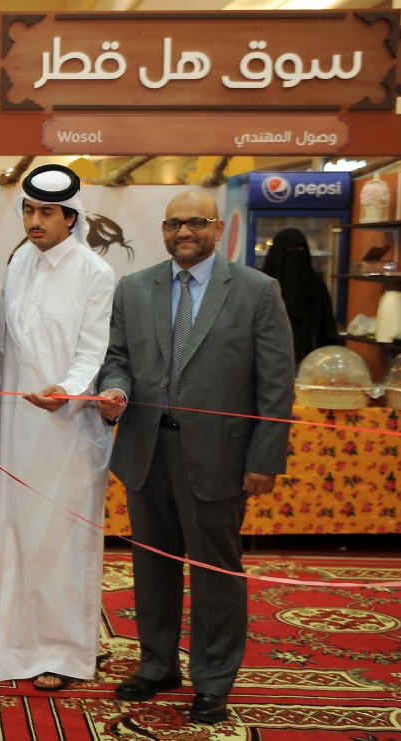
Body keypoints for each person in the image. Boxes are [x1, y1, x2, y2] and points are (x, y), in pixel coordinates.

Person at [97, 190, 294, 725]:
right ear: (163, 231)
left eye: (196, 222)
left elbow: (276, 382)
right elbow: (116, 357)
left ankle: (212, 682)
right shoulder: (134, 288)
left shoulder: (256, 290)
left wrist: (264, 458)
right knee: (152, 569)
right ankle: (157, 665)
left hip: (220, 458)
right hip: (147, 452)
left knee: (215, 575)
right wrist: (114, 389)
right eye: (174, 224)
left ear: (217, 228)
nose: (184, 232)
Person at [0, 165, 117, 691]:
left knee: (61, 543)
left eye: (46, 212)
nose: (34, 220)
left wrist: (67, 389)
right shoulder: (19, 262)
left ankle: (63, 653)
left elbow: (93, 351)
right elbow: (7, 347)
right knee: (17, 535)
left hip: (68, 431)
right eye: (28, 210)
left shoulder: (95, 273)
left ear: (71, 218)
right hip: (18, 426)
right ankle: (13, 646)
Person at [261, 227, 341, 364]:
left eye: (301, 249)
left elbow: (327, 328)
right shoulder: (264, 287)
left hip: (310, 360)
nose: (297, 254)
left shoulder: (316, 285)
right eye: (291, 250)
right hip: (270, 357)